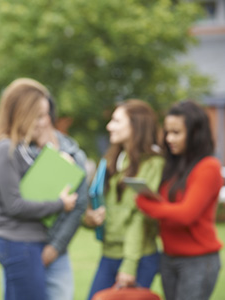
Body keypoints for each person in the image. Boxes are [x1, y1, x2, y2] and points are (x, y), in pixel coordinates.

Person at [0, 78, 78, 300]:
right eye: (39, 116)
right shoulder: (5, 149)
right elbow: (15, 205)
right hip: (19, 244)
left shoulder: (21, 148)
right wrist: (60, 204)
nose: (44, 123)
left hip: (26, 244)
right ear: (23, 113)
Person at [136, 100, 223, 300]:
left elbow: (185, 215)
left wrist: (145, 203)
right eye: (167, 132)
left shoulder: (208, 167)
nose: (169, 139)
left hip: (198, 261)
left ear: (194, 134)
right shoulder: (173, 167)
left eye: (176, 133)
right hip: (169, 257)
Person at [84, 99, 164, 300]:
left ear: (136, 124)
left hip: (138, 258)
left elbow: (140, 218)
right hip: (109, 254)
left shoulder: (153, 164)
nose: (109, 126)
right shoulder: (112, 160)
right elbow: (97, 202)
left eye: (116, 121)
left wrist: (130, 263)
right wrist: (90, 219)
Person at [26, 96, 89, 300]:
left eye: (41, 116)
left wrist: (55, 248)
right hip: (23, 247)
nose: (36, 122)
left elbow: (79, 206)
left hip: (57, 252)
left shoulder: (74, 154)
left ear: (49, 117)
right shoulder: (19, 153)